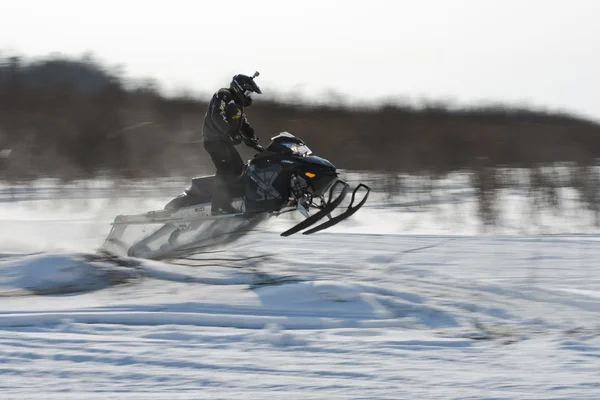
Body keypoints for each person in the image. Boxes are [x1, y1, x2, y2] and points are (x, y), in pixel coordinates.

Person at [202, 72, 264, 214]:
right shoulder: (224, 95)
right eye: (248, 92)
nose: (249, 96)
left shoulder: (237, 104)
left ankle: (233, 200)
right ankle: (218, 206)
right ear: (239, 88)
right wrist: (230, 132)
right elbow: (217, 116)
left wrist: (252, 136)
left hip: (223, 141)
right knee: (227, 168)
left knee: (239, 168)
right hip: (214, 139)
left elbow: (241, 123)